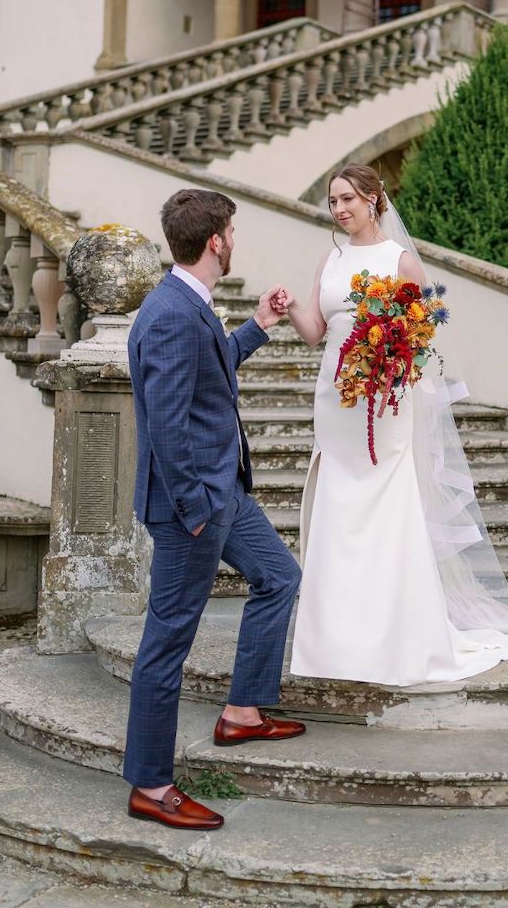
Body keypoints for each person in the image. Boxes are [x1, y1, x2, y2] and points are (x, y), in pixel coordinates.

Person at [271, 164, 508, 688]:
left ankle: (393, 636)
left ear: (372, 199)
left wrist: (388, 368)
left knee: (383, 502)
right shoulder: (333, 257)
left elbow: (421, 337)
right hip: (335, 399)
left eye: (347, 199)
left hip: (384, 401)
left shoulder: (399, 260)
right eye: (333, 201)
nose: (338, 209)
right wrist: (291, 305)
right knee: (338, 501)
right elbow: (317, 333)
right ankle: (332, 638)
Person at [123, 188, 305, 832]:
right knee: (166, 644)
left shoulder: (189, 304)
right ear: (216, 242)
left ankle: (243, 713)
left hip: (224, 491)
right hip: (193, 506)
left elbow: (210, 372)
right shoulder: (172, 313)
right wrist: (199, 511)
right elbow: (169, 427)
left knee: (281, 578)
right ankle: (149, 783)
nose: (236, 239)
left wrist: (256, 326)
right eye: (233, 230)